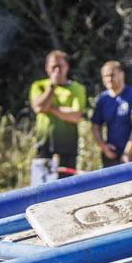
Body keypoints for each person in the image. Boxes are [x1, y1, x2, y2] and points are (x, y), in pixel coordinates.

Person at [28, 49, 87, 186]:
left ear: (67, 67)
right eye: (53, 66)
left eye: (60, 66)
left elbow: (75, 116)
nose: (57, 70)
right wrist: (52, 86)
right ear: (47, 67)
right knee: (41, 186)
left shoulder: (77, 88)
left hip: (67, 146)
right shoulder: (39, 86)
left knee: (66, 186)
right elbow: (39, 108)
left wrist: (50, 108)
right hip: (44, 145)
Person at [89, 60, 132, 168]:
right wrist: (103, 146)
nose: (109, 79)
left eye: (112, 75)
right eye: (105, 76)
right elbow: (95, 126)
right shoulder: (103, 99)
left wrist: (127, 153)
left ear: (122, 74)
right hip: (111, 155)